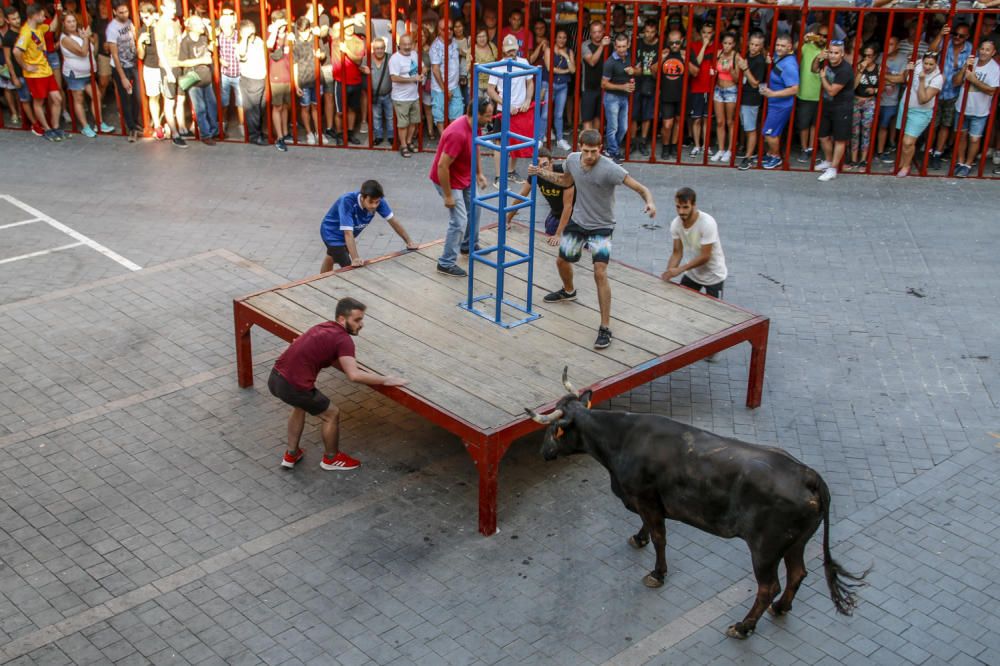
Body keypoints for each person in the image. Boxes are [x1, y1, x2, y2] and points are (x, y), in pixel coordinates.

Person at [528, 128, 656, 350]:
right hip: (578, 222)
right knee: (561, 261)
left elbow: (640, 187)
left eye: (594, 152)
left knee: (600, 272)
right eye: (586, 151)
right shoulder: (572, 160)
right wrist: (541, 173)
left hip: (601, 228)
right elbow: (564, 180)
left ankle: (605, 327)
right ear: (579, 147)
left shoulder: (610, 169)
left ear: (600, 149)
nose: (590, 156)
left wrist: (650, 202)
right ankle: (569, 291)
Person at [269, 297, 407, 472]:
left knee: (299, 405)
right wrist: (386, 379)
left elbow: (297, 342)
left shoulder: (322, 326)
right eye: (357, 320)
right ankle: (331, 458)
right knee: (331, 414)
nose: (361, 324)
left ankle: (291, 454)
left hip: (275, 378)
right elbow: (354, 375)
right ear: (342, 319)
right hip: (294, 386)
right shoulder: (343, 340)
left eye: (362, 319)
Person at [431, 96, 493, 278]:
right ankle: (446, 262)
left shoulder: (476, 127)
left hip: (464, 176)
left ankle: (468, 245)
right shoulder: (457, 134)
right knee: (459, 220)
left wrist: (479, 173)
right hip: (448, 179)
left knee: (476, 208)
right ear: (476, 114)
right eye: (488, 116)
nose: (490, 120)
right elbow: (442, 166)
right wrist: (448, 196)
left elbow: (476, 148)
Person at [319, 180, 418, 272]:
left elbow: (393, 221)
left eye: (377, 202)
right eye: (371, 202)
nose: (374, 206)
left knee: (332, 256)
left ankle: (320, 281)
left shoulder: (379, 200)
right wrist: (355, 258)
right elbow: (348, 233)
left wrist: (409, 242)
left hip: (347, 234)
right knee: (349, 268)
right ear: (362, 197)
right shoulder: (347, 201)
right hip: (332, 234)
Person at [662, 186, 727, 300]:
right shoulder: (676, 224)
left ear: (694, 205)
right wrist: (669, 273)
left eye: (685, 207)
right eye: (678, 207)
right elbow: (677, 252)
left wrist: (680, 269)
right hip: (693, 273)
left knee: (714, 313)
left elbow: (705, 256)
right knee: (681, 305)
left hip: (714, 276)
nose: (681, 212)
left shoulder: (707, 223)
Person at [487, 34, 534, 184]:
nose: (510, 53)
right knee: (499, 143)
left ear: (517, 48)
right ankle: (499, 176)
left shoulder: (524, 62)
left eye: (512, 50)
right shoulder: (497, 65)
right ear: (503, 49)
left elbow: (530, 83)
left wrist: (527, 100)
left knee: (516, 141)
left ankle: (510, 172)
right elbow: (490, 89)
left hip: (520, 110)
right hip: (503, 110)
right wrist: (505, 104)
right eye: (508, 50)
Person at [13, 3, 63, 141]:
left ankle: (55, 127)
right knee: (39, 102)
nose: (44, 17)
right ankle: (47, 129)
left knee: (57, 98)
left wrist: (58, 12)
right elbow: (16, 51)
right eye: (42, 15)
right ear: (34, 16)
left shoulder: (39, 27)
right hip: (35, 74)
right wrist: (26, 66)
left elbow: (52, 27)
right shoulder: (26, 32)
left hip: (46, 70)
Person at [504, 146, 574, 240]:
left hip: (575, 217)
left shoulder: (562, 172)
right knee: (549, 237)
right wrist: (507, 220)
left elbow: (568, 207)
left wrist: (558, 234)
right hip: (556, 213)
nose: (542, 169)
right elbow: (522, 195)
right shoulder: (536, 174)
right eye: (538, 166)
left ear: (551, 162)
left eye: (545, 164)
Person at [927, 23, 972, 170]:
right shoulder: (946, 42)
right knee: (933, 125)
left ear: (967, 37)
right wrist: (941, 34)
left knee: (946, 126)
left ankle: (937, 154)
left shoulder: (970, 49)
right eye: (955, 34)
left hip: (954, 93)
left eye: (961, 36)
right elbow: (931, 51)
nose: (957, 38)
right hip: (937, 90)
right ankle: (928, 152)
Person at [952, 38, 998, 178]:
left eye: (987, 50)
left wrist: (973, 80)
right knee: (961, 136)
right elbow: (955, 82)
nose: (984, 52)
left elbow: (992, 91)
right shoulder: (972, 62)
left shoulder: (995, 68)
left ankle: (968, 164)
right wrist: (965, 67)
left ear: (993, 52)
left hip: (980, 111)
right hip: (962, 107)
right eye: (982, 48)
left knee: (974, 140)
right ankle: (960, 162)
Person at [59, 11, 108, 138]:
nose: (72, 24)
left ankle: (99, 123)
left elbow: (93, 46)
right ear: (63, 24)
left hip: (88, 73)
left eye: (73, 21)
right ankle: (85, 127)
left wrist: (89, 37)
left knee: (96, 96)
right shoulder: (65, 39)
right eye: (68, 21)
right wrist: (86, 38)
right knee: (79, 99)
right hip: (75, 74)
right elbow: (82, 52)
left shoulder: (80, 33)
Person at [895, 52, 943, 178]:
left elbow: (923, 99)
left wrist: (922, 80)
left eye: (931, 64)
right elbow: (905, 79)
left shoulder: (938, 78)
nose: (927, 67)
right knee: (903, 140)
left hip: (920, 112)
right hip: (905, 107)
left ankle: (906, 166)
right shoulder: (917, 65)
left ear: (936, 64)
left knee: (908, 141)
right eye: (925, 63)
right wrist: (907, 70)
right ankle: (901, 164)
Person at [813, 39, 853, 182]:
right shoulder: (826, 62)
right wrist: (818, 58)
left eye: (836, 53)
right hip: (827, 106)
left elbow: (831, 91)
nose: (832, 56)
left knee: (840, 139)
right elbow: (813, 69)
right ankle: (828, 161)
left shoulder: (845, 70)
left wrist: (823, 78)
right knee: (823, 136)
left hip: (842, 108)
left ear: (842, 54)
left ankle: (833, 169)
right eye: (830, 52)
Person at [759, 33, 799, 170]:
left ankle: (776, 157)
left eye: (783, 46)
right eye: (777, 45)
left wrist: (773, 93)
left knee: (769, 133)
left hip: (780, 105)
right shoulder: (781, 58)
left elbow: (794, 89)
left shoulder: (789, 65)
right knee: (775, 131)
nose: (779, 48)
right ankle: (771, 154)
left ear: (789, 47)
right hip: (775, 104)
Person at [176, 15, 217, 145]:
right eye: (199, 24)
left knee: (212, 105)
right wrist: (202, 61)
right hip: (194, 80)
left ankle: (214, 131)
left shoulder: (204, 38)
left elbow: (212, 46)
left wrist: (210, 30)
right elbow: (181, 62)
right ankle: (205, 135)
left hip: (206, 78)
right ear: (191, 27)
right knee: (200, 108)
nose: (202, 26)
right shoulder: (186, 42)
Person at [106, 0, 141, 141]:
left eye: (126, 11)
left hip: (132, 63)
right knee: (126, 98)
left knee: (137, 96)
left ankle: (136, 123)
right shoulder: (112, 29)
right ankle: (131, 128)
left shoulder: (129, 22)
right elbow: (114, 55)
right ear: (114, 12)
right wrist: (123, 78)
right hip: (120, 67)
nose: (124, 15)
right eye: (121, 12)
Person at [154, 0, 186, 147]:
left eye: (174, 7)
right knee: (170, 100)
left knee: (181, 98)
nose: (174, 10)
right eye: (170, 7)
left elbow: (180, 41)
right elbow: (160, 51)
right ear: (162, 8)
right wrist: (168, 71)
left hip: (179, 64)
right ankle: (175, 133)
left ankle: (182, 128)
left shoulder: (176, 22)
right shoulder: (160, 25)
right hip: (168, 67)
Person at [795, 24, 827, 163]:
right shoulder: (807, 46)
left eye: (826, 36)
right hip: (805, 93)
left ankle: (812, 148)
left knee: (816, 124)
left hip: (822, 94)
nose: (822, 38)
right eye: (820, 34)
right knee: (804, 124)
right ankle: (804, 148)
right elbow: (794, 49)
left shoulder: (830, 51)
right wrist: (803, 40)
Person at [735, 31, 767, 170]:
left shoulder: (760, 61)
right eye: (752, 44)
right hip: (743, 95)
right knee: (746, 127)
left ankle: (748, 158)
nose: (753, 47)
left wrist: (745, 68)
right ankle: (750, 152)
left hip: (751, 97)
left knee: (750, 128)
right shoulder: (747, 55)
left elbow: (755, 83)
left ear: (761, 46)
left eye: (757, 45)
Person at [602, 33, 635, 163]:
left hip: (623, 98)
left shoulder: (628, 57)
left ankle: (611, 150)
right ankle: (613, 152)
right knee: (613, 127)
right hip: (612, 98)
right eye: (619, 47)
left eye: (624, 46)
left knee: (623, 128)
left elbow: (633, 72)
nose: (621, 49)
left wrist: (632, 77)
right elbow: (603, 84)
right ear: (615, 46)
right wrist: (623, 87)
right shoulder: (610, 62)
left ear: (628, 45)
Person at [389, 32, 423, 157]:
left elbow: (422, 67)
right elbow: (394, 78)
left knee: (414, 122)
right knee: (403, 124)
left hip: (414, 96)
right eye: (404, 44)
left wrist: (422, 72)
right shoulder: (395, 58)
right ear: (399, 45)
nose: (407, 46)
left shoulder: (414, 54)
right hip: (401, 98)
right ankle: (403, 146)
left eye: (410, 44)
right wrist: (413, 79)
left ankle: (409, 142)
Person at [847, 43, 879, 170]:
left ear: (875, 56)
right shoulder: (858, 66)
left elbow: (882, 85)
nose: (867, 58)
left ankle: (863, 160)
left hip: (869, 102)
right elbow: (853, 86)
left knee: (866, 131)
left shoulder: (879, 68)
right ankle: (854, 159)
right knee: (854, 131)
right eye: (865, 55)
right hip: (856, 100)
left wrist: (875, 91)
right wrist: (860, 70)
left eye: (870, 56)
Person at [875, 35, 907, 163]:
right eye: (887, 43)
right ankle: (874, 150)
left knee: (884, 125)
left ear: (898, 46)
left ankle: (881, 151)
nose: (888, 47)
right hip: (876, 97)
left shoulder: (902, 59)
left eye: (891, 44)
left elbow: (902, 79)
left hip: (891, 100)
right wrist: (891, 77)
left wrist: (884, 76)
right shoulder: (879, 56)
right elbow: (876, 76)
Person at [629, 21, 658, 158]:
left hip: (651, 82)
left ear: (656, 32)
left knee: (647, 115)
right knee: (634, 114)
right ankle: (633, 142)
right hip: (637, 80)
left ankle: (643, 141)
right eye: (647, 31)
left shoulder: (660, 45)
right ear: (643, 32)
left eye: (652, 32)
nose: (649, 35)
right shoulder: (638, 43)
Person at [686, 21, 716, 156]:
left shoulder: (718, 47)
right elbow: (696, 63)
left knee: (707, 118)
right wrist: (704, 45)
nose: (706, 35)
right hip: (697, 87)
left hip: (710, 88)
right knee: (696, 118)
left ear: (713, 33)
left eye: (709, 33)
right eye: (704, 32)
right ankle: (697, 145)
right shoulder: (694, 45)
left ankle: (706, 145)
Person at [429, 16, 462, 134]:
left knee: (456, 114)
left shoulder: (454, 42)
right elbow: (435, 70)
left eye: (450, 28)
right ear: (438, 30)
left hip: (454, 86)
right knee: (440, 116)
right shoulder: (435, 47)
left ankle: (453, 140)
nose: (448, 31)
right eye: (444, 29)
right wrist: (445, 89)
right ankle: (444, 142)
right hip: (440, 89)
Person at [136, 3, 164, 140]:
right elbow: (141, 56)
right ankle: (158, 125)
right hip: (150, 67)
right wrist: (139, 43)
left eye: (146, 17)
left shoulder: (161, 27)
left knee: (168, 96)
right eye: (142, 18)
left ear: (154, 15)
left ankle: (168, 122)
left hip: (164, 66)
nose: (144, 21)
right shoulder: (142, 31)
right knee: (154, 96)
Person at [216, 4, 244, 140]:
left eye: (228, 27)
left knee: (241, 102)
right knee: (224, 101)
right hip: (225, 74)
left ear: (233, 25)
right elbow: (214, 52)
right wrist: (220, 59)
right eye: (223, 27)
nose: (225, 30)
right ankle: (223, 123)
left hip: (238, 73)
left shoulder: (239, 37)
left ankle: (242, 126)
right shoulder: (219, 37)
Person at [237, 19, 267, 146]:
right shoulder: (240, 45)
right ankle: (254, 136)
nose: (252, 36)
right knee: (253, 110)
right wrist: (244, 38)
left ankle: (258, 132)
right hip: (250, 80)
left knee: (261, 108)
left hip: (261, 79)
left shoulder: (259, 41)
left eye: (253, 32)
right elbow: (242, 53)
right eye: (249, 34)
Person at [711, 32, 738, 163]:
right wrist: (713, 72)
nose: (727, 46)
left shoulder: (736, 56)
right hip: (718, 89)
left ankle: (730, 150)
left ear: (734, 45)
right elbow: (713, 69)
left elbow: (738, 78)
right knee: (720, 121)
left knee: (730, 122)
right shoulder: (718, 54)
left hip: (731, 89)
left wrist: (731, 70)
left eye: (730, 43)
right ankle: (721, 149)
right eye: (725, 43)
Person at [291, 16, 319, 144]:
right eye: (301, 31)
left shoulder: (316, 40)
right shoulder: (295, 44)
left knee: (316, 107)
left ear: (310, 29)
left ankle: (318, 132)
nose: (304, 33)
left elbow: (323, 54)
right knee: (305, 108)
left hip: (317, 79)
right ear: (298, 30)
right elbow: (295, 66)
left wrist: (320, 55)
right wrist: (296, 85)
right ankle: (309, 133)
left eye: (306, 30)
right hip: (303, 80)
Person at [267, 10, 292, 151]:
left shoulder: (289, 34)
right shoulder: (271, 34)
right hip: (275, 75)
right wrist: (276, 29)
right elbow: (269, 46)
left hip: (287, 75)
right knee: (277, 106)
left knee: (285, 106)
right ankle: (279, 137)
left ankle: (285, 132)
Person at [658, 29, 685, 161]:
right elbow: (653, 72)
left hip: (681, 94)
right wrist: (662, 58)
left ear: (682, 41)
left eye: (677, 42)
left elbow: (695, 72)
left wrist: (686, 61)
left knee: (678, 122)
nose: (674, 45)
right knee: (667, 124)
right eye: (672, 42)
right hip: (667, 95)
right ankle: (665, 146)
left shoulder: (686, 53)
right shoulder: (664, 53)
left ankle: (673, 146)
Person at [580, 21, 608, 132]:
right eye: (594, 32)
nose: (597, 35)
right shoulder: (585, 45)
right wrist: (602, 46)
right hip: (588, 87)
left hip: (604, 87)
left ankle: (595, 147)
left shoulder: (609, 45)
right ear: (590, 33)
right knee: (587, 119)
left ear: (604, 32)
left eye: (599, 32)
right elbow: (592, 62)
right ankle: (586, 146)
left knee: (599, 118)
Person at [550, 28, 574, 151]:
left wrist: (566, 56)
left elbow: (573, 70)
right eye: (559, 37)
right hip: (549, 84)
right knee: (544, 114)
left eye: (564, 38)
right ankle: (540, 138)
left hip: (563, 85)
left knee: (559, 114)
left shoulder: (569, 51)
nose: (562, 40)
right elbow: (551, 69)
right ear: (555, 38)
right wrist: (566, 71)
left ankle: (559, 139)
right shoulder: (549, 49)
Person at [368, 37, 393, 146]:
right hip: (375, 95)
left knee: (390, 116)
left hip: (389, 94)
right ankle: (378, 137)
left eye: (382, 48)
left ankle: (391, 137)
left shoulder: (390, 58)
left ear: (385, 48)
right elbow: (359, 66)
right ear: (373, 49)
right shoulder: (368, 59)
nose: (379, 50)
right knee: (376, 117)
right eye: (377, 48)